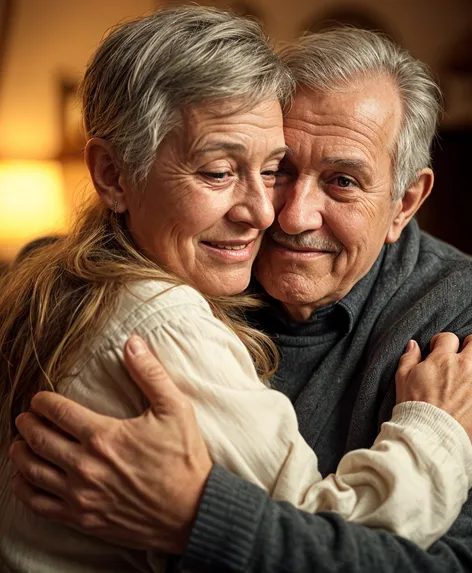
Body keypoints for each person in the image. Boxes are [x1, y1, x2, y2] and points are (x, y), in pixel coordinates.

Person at [6, 19, 472, 573]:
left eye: (343, 181)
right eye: (280, 169)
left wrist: (194, 515)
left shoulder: (456, 320)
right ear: (112, 174)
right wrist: (433, 429)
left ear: (405, 202)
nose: (282, 214)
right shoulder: (172, 297)